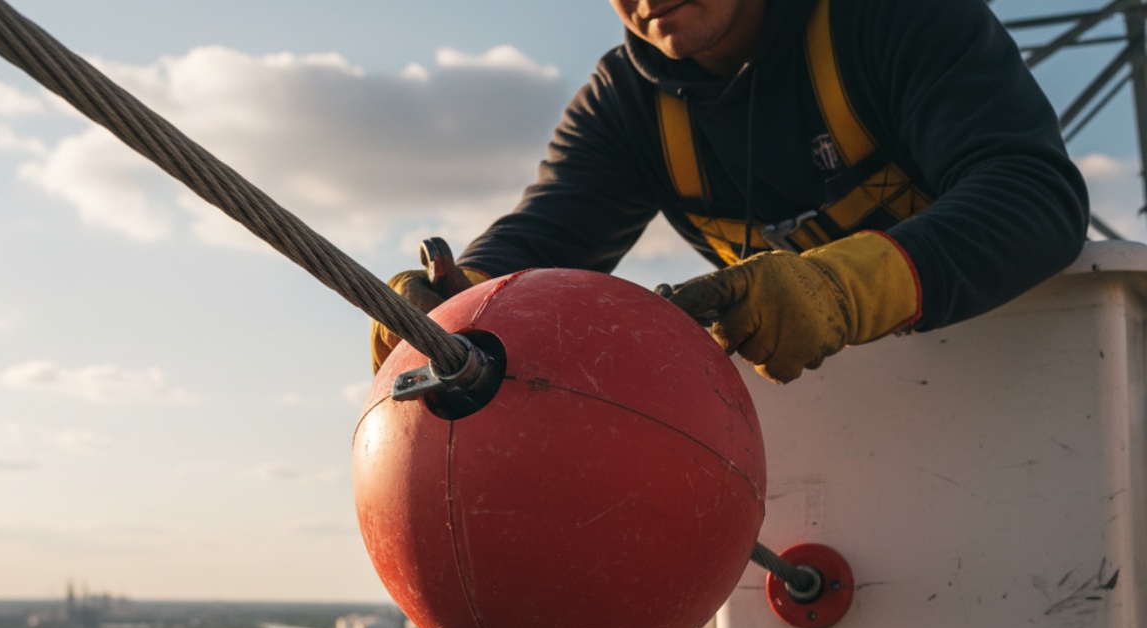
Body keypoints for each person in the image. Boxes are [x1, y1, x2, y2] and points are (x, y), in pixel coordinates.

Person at [371, 0, 1089, 382]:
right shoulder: (628, 103)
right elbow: (543, 242)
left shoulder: (891, 16)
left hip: (1038, 389)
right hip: (843, 445)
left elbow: (1034, 198)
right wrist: (454, 304)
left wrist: (839, 290)